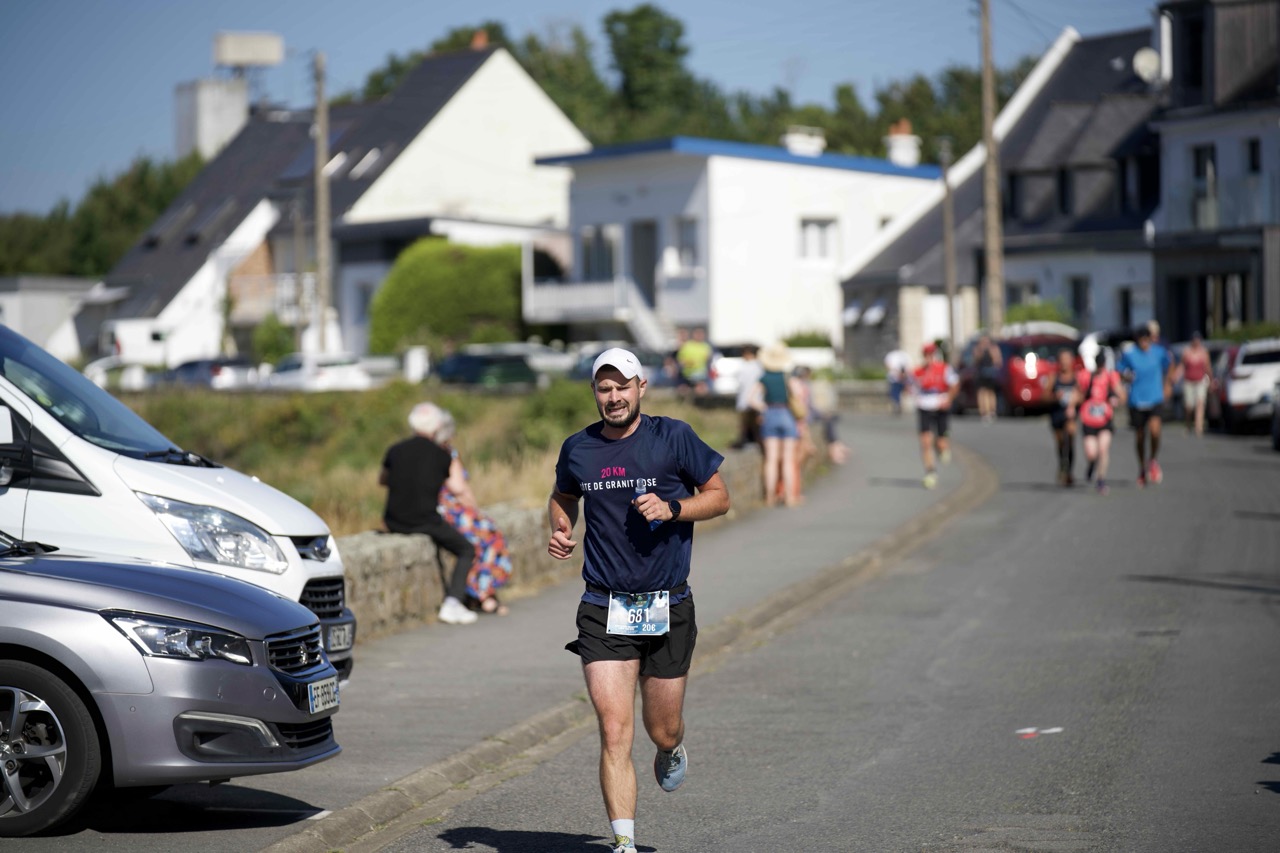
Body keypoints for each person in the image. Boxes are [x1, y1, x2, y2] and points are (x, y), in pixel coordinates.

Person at [547, 347, 730, 853]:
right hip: (603, 606)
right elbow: (564, 495)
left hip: (667, 603)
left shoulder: (673, 437)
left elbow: (720, 497)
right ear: (594, 392)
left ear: (641, 387)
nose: (613, 397)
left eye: (622, 387)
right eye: (604, 388)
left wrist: (674, 508)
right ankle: (624, 843)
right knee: (613, 729)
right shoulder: (578, 448)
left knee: (662, 729)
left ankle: (670, 748)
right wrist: (560, 525)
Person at [380, 402, 478, 626]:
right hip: (424, 520)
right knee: (466, 549)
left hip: (393, 521)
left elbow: (382, 479)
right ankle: (453, 603)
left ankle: (454, 604)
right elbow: (456, 488)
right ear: (437, 426)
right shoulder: (441, 455)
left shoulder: (395, 450)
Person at [432, 409, 513, 616]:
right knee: (488, 537)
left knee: (483, 538)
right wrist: (475, 510)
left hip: (441, 509)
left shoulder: (428, 452)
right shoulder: (447, 453)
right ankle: (483, 593)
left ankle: (479, 592)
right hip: (452, 510)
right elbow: (459, 489)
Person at [1118, 324, 1175, 487]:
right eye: (1141, 340)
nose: (1144, 342)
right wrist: (1126, 378)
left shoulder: (1158, 352)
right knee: (1140, 436)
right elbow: (1120, 370)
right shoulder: (1130, 354)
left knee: (1155, 431)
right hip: (1137, 399)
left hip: (1155, 397)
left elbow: (1170, 364)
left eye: (1146, 339)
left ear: (1150, 339)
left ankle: (1153, 460)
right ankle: (1142, 467)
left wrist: (1168, 384)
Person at [750, 342, 801, 508]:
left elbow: (751, 399)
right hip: (786, 414)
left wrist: (764, 409)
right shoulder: (787, 377)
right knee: (788, 459)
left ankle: (770, 497)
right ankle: (790, 497)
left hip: (770, 415)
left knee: (771, 459)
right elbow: (798, 394)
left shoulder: (763, 378)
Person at [1077, 346, 1125, 495]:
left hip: (1105, 420)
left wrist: (1116, 400)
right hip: (1089, 420)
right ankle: (1091, 465)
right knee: (1092, 453)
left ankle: (1101, 480)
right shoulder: (1086, 376)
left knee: (1103, 449)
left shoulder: (1111, 377)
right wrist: (1072, 406)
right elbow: (1078, 393)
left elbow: (1122, 395)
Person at [911, 342, 958, 490]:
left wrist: (948, 399)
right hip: (924, 407)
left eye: (931, 354)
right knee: (925, 442)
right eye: (927, 355)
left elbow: (955, 385)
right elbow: (912, 388)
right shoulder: (918, 371)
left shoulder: (944, 368)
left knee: (941, 442)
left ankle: (942, 448)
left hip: (940, 406)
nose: (929, 358)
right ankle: (930, 472)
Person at [1044, 348, 1080, 486]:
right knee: (1060, 442)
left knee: (1070, 438)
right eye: (1062, 360)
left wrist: (1076, 399)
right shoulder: (1054, 377)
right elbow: (1043, 396)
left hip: (1070, 414)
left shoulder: (1076, 378)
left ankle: (1069, 471)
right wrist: (1055, 397)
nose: (1065, 363)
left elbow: (1084, 395)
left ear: (1072, 361)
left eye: (1067, 359)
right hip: (1056, 413)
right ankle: (1062, 464)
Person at [730, 344, 763, 450]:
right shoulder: (759, 366)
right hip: (757, 399)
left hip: (745, 398)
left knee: (746, 423)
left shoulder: (744, 367)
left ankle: (745, 441)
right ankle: (758, 442)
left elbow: (740, 382)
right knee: (756, 423)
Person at [1179, 331, 1211, 437]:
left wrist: (1211, 380)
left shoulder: (1204, 352)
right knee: (1189, 406)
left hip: (1200, 381)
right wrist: (1175, 377)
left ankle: (1198, 427)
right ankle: (1188, 424)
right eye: (1194, 340)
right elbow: (1182, 366)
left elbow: (1207, 367)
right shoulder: (1186, 352)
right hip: (1188, 381)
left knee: (1200, 403)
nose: (1196, 342)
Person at [675, 326, 713, 398]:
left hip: (701, 374)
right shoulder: (686, 346)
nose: (699, 336)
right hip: (687, 374)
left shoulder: (706, 346)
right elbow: (680, 360)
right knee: (684, 390)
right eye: (697, 333)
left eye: (701, 334)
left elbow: (708, 360)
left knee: (702, 390)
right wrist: (687, 363)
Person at [974, 334, 1003, 422]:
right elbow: (976, 360)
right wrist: (981, 351)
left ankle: (992, 411)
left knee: (990, 392)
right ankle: (984, 411)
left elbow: (998, 361)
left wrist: (992, 353)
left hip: (990, 373)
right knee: (982, 392)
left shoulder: (993, 348)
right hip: (981, 373)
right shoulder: (978, 349)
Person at [883, 346, 910, 415]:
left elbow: (906, 366)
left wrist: (903, 374)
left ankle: (898, 404)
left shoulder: (903, 355)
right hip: (893, 378)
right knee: (895, 392)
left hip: (901, 378)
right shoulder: (891, 355)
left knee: (899, 391)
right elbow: (888, 365)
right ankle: (897, 404)